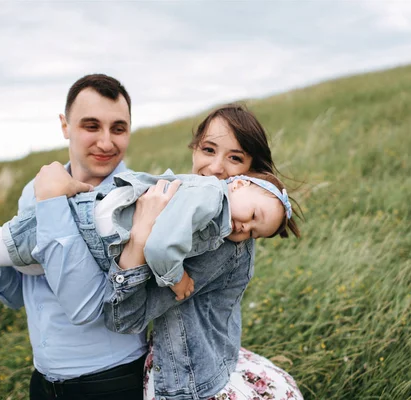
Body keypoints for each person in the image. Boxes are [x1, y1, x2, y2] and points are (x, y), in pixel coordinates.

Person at [0, 74, 151, 399]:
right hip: (42, 381)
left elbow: (90, 307)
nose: (107, 142)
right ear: (65, 125)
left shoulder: (135, 200)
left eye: (119, 128)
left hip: (112, 381)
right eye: (91, 125)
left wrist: (52, 203)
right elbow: (14, 295)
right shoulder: (34, 191)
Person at [103, 104, 305, 399]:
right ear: (194, 149)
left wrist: (138, 239)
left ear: (249, 174)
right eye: (209, 150)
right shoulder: (196, 208)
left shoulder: (222, 242)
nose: (215, 168)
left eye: (235, 158)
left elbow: (126, 319)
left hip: (189, 378)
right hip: (209, 356)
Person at [0, 168, 298, 300]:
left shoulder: (215, 217)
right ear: (236, 185)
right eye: (253, 215)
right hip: (86, 226)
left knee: (25, 264)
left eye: (254, 233)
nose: (245, 228)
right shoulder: (209, 197)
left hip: (93, 238)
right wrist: (177, 280)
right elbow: (160, 244)